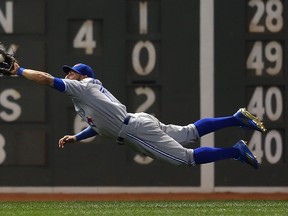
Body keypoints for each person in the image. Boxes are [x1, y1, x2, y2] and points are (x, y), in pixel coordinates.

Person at [11, 62, 266, 170]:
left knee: (185, 160)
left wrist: (18, 69)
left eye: (72, 73)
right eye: (67, 73)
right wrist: (77, 137)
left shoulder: (84, 87)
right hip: (136, 121)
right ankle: (236, 119)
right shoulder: (87, 94)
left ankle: (236, 151)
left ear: (83, 76)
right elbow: (100, 125)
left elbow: (45, 79)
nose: (68, 76)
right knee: (189, 132)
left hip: (134, 130)